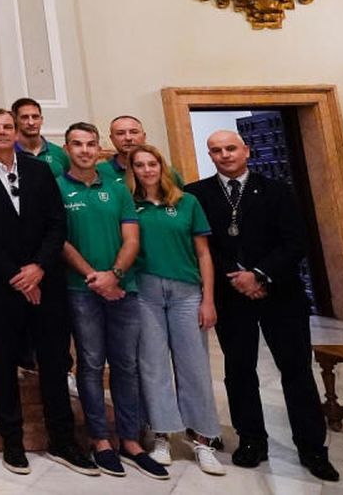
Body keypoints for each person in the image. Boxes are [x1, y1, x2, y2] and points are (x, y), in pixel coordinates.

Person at [187, 130, 338, 481]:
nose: (224, 155)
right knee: (239, 370)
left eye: (231, 149)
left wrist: (259, 275)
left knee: (296, 370)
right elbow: (203, 247)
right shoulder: (198, 194)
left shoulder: (277, 190)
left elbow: (295, 241)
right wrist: (237, 278)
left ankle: (312, 447)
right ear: (210, 155)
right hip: (231, 295)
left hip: (280, 294)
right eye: (216, 151)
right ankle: (252, 439)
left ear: (246, 151)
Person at [0, 109, 94, 476]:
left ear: (17, 132)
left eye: (8, 127)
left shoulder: (39, 170)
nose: (2, 132)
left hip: (45, 281)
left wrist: (37, 269)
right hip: (0, 284)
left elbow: (56, 224)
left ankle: (62, 438)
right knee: (2, 364)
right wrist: (16, 275)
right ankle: (12, 440)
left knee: (53, 361)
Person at [58, 123, 157, 477]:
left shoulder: (117, 189)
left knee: (126, 364)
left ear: (98, 148)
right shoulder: (57, 188)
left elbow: (131, 238)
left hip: (123, 287)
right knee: (90, 363)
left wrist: (114, 275)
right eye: (77, 144)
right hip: (81, 289)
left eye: (90, 144)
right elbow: (61, 240)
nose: (84, 150)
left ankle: (130, 440)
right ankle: (99, 439)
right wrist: (94, 277)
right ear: (66, 148)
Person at [128, 143, 223, 477]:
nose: (147, 170)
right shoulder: (129, 204)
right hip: (146, 290)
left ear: (162, 167)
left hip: (186, 291)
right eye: (139, 165)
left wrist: (208, 299)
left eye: (152, 163)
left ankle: (202, 438)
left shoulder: (186, 202)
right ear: (133, 171)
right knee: (153, 365)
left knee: (194, 364)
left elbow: (204, 254)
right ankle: (162, 433)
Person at [100, 115, 183, 186]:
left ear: (144, 136)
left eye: (134, 132)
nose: (128, 138)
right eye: (120, 133)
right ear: (112, 139)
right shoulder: (100, 172)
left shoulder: (168, 173)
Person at [12, 97, 68, 176]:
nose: (31, 122)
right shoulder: (8, 153)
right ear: (15, 120)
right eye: (25, 117)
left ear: (41, 120)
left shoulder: (59, 153)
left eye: (35, 117)